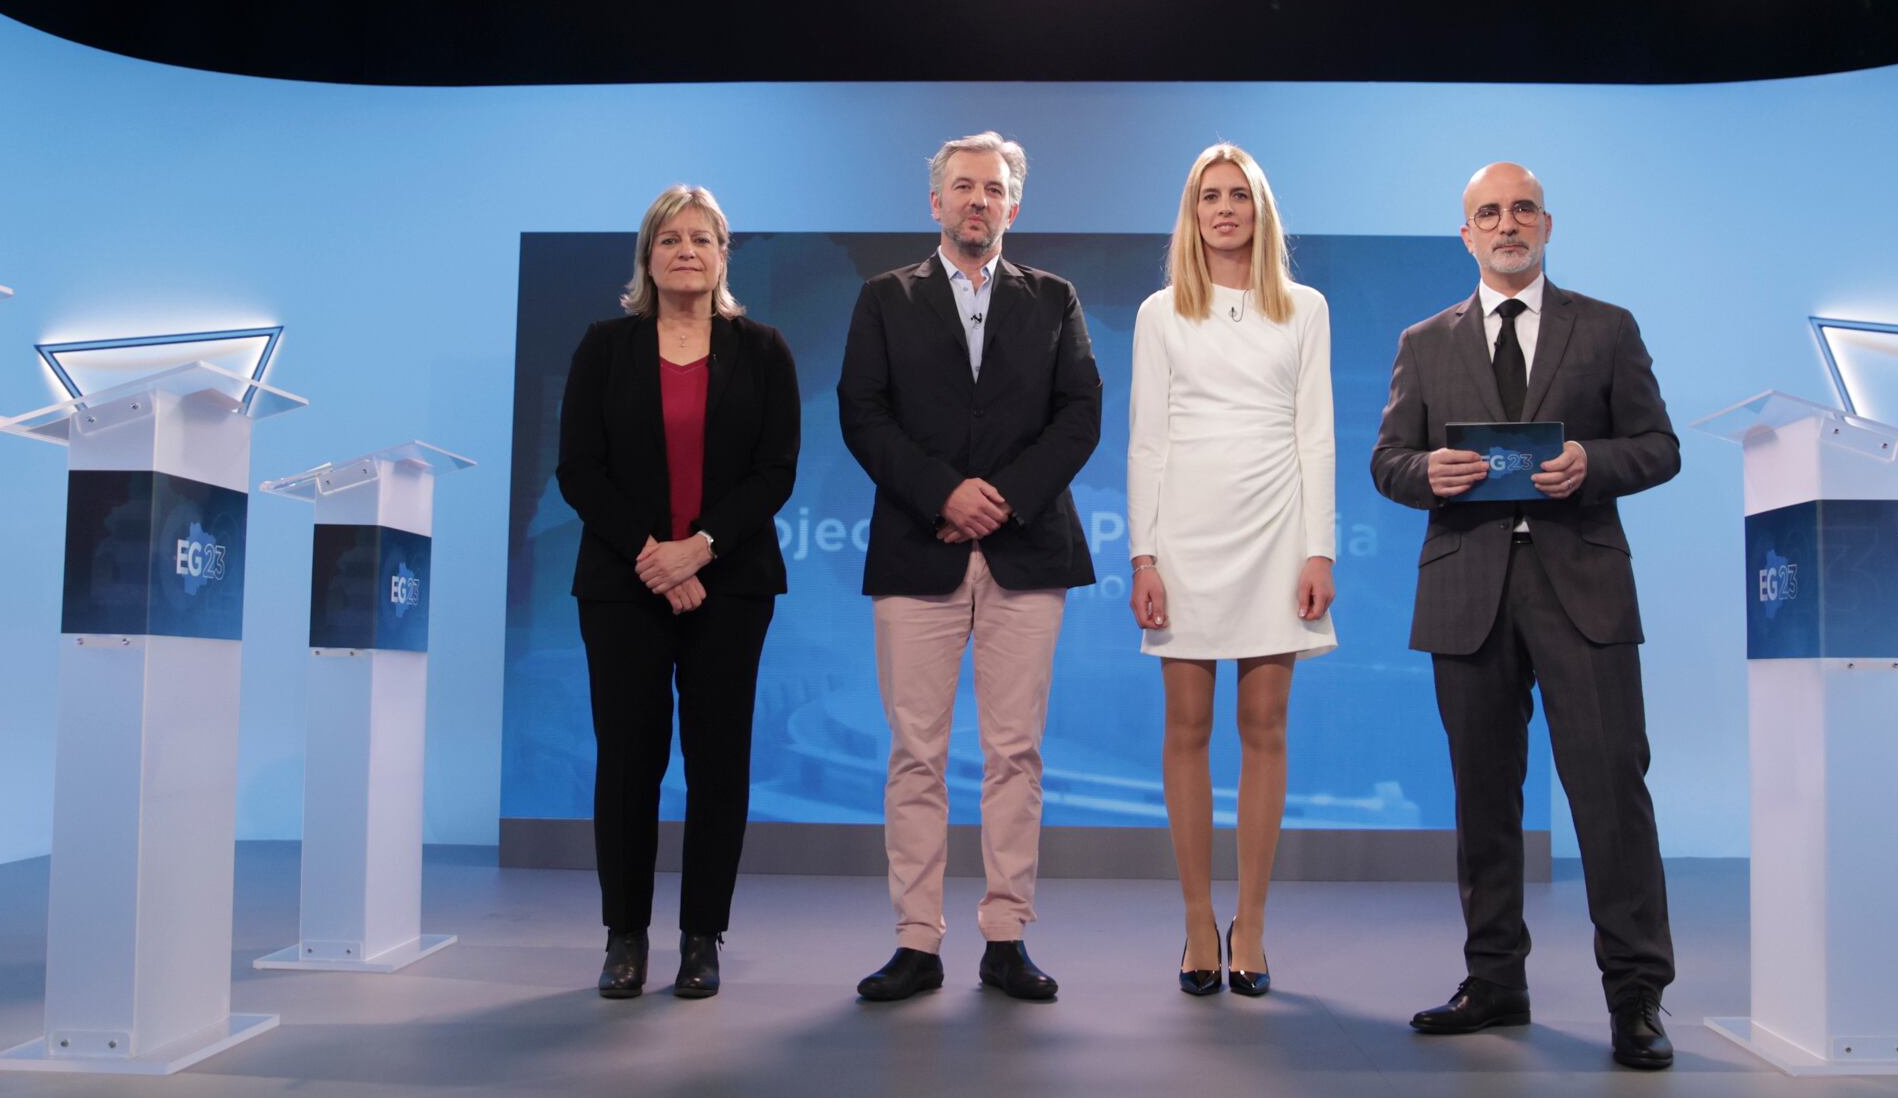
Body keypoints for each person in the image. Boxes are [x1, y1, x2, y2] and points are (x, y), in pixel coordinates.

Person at [1368, 161, 1682, 1069]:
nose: (1506, 224)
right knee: (1484, 799)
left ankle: (1636, 998)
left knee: (1612, 796)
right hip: (1468, 595)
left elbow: (1658, 446)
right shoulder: (1425, 342)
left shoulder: (1607, 327)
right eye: (1487, 213)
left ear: (1547, 223)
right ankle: (1495, 979)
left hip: (1582, 589)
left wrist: (1594, 460)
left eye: (1521, 209)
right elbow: (1388, 459)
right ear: (1465, 234)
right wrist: (1428, 472)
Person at [837, 130, 1102, 1003]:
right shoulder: (884, 298)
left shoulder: (1055, 299)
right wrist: (946, 493)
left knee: (1015, 752)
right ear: (936, 202)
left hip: (1028, 552)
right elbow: (863, 415)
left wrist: (1005, 498)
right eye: (962, 187)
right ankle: (916, 940)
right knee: (916, 754)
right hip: (919, 549)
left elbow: (1080, 416)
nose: (977, 200)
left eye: (993, 188)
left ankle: (1005, 934)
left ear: (1013, 206)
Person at [555, 185, 800, 1001]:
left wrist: (699, 550)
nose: (686, 250)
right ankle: (625, 937)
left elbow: (776, 472)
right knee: (628, 760)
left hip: (731, 584)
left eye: (702, 237)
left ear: (724, 255)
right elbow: (578, 468)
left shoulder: (763, 350)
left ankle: (703, 938)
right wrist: (652, 555)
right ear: (647, 256)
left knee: (718, 761)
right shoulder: (603, 347)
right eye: (670, 238)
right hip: (622, 586)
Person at [1126, 143, 1336, 999]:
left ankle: (1250, 922)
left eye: (1238, 195)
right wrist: (1143, 552)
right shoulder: (1159, 312)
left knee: (1265, 726)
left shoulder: (1306, 309)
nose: (1224, 209)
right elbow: (1147, 438)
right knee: (1186, 727)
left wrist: (1318, 546)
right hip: (1185, 537)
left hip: (1278, 531)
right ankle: (1193, 922)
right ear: (1192, 211)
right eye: (1209, 196)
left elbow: (1314, 432)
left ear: (1260, 209)